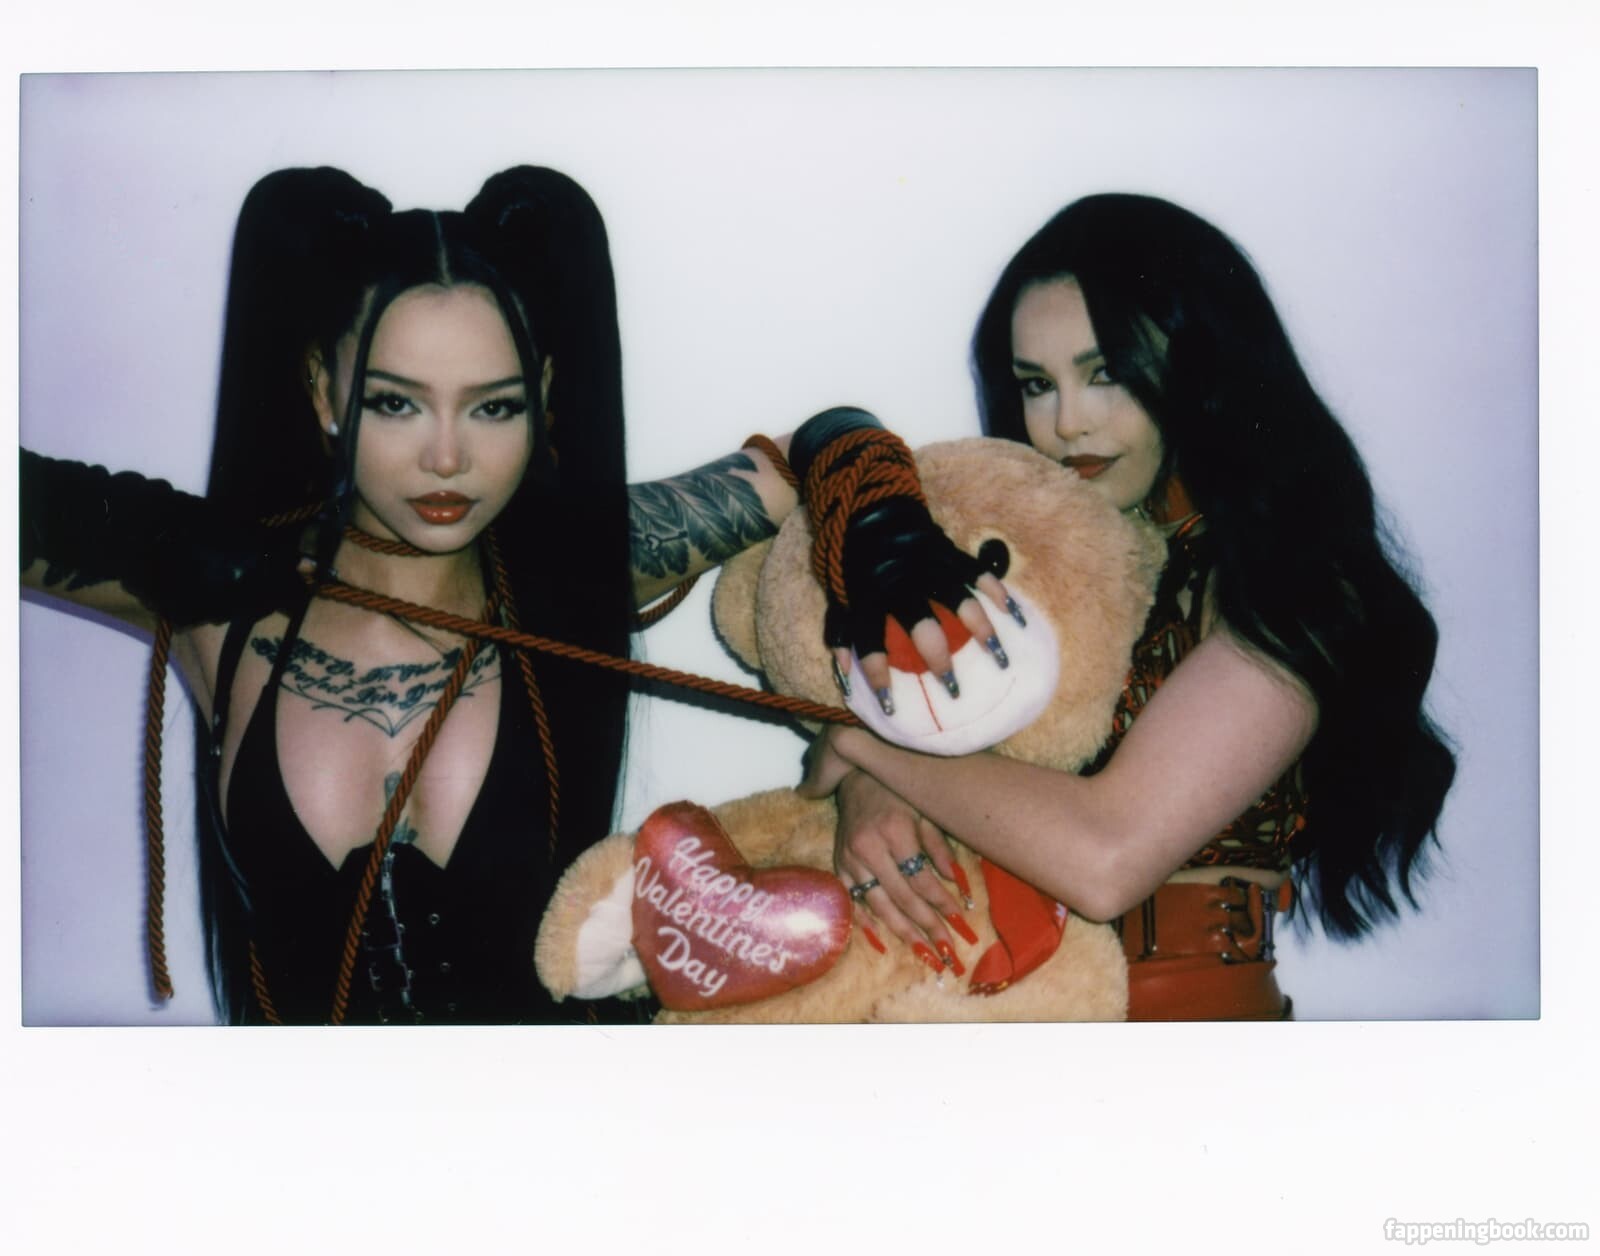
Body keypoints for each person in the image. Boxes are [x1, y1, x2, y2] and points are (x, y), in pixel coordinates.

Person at [20, 164, 1002, 1025]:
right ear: (322, 392)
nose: (447, 456)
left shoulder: (582, 567)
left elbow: (824, 443)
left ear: (542, 394)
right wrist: (140, 528)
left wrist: (877, 705)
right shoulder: (221, 608)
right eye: (395, 402)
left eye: (492, 406)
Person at [801, 193, 1457, 1019]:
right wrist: (874, 786)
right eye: (1036, 384)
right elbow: (958, 753)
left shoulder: (1303, 586)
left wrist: (866, 745)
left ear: (1202, 363)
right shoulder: (1042, 569)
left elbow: (1106, 856)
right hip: (1004, 1016)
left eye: (1105, 372)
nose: (1067, 422)